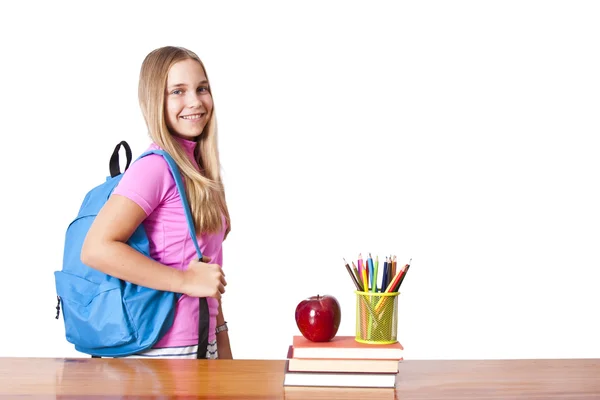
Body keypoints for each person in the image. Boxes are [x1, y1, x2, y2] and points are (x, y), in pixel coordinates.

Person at [81, 46, 232, 359]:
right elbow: (96, 248)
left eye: (201, 88)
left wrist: (224, 351)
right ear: (155, 100)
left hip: (202, 346)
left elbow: (207, 280)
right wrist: (185, 281)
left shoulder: (201, 173)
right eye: (177, 91)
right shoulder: (155, 168)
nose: (195, 101)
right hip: (162, 352)